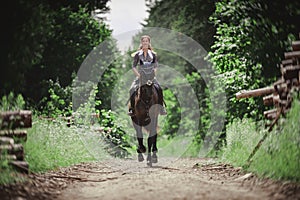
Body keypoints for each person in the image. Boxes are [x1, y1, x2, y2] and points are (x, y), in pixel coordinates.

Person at [128, 35, 167, 116]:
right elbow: (134, 66)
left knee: (159, 89)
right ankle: (132, 109)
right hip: (141, 77)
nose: (145, 42)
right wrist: (138, 75)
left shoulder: (153, 54)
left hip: (151, 77)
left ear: (149, 43)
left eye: (146, 41)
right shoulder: (138, 55)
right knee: (132, 89)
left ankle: (161, 108)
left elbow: (156, 66)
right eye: (143, 41)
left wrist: (153, 75)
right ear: (141, 43)